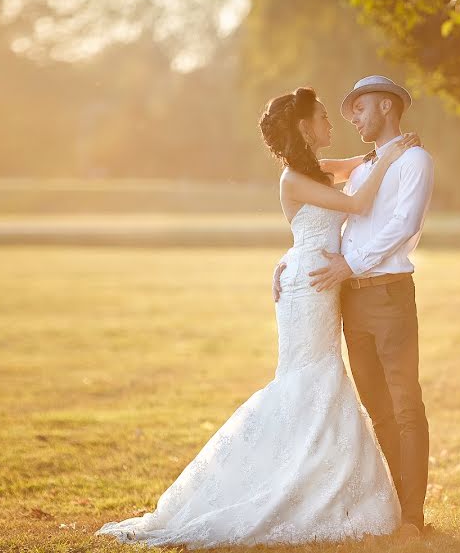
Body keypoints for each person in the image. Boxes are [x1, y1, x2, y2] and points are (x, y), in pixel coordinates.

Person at [94, 86, 418, 548]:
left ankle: (318, 481)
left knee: (323, 376)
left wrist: (384, 151)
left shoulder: (317, 170)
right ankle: (281, 482)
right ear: (305, 127)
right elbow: (360, 203)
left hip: (320, 278)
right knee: (308, 377)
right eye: (324, 117)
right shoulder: (292, 179)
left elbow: (354, 169)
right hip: (309, 287)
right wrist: (396, 154)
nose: (331, 124)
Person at [274, 75, 435, 536]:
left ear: (385, 107)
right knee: (376, 407)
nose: (348, 119)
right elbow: (313, 225)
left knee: (405, 404)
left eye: (358, 109)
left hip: (387, 293)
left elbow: (403, 226)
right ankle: (396, 506)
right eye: (332, 116)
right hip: (348, 299)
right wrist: (289, 259)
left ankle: (411, 516)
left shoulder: (414, 161)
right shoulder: (361, 169)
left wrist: (350, 265)